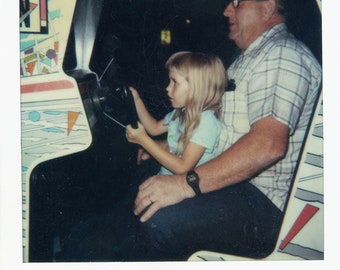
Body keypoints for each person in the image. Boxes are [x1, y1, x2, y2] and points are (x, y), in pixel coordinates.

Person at [57, 0, 322, 261]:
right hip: (237, 184)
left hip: (261, 202)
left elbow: (268, 145)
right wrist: (164, 147)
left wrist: (184, 185)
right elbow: (221, 134)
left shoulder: (281, 54)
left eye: (238, 3)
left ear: (267, 7)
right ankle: (89, 245)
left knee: (160, 219)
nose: (227, 9)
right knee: (142, 182)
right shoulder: (250, 58)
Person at [125, 51, 226, 177]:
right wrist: (136, 100)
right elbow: (154, 128)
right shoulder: (181, 113)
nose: (167, 87)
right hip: (166, 176)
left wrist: (144, 141)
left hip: (185, 187)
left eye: (174, 82)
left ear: (197, 88)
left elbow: (183, 167)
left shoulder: (206, 121)